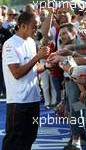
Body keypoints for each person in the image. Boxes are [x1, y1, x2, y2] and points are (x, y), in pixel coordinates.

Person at [2, 12, 50, 150]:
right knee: (14, 140)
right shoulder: (10, 44)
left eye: (38, 26)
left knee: (30, 137)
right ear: (22, 26)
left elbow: (33, 69)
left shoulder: (30, 42)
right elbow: (17, 73)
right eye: (34, 26)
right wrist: (37, 57)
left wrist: (47, 65)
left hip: (33, 98)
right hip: (18, 101)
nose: (37, 30)